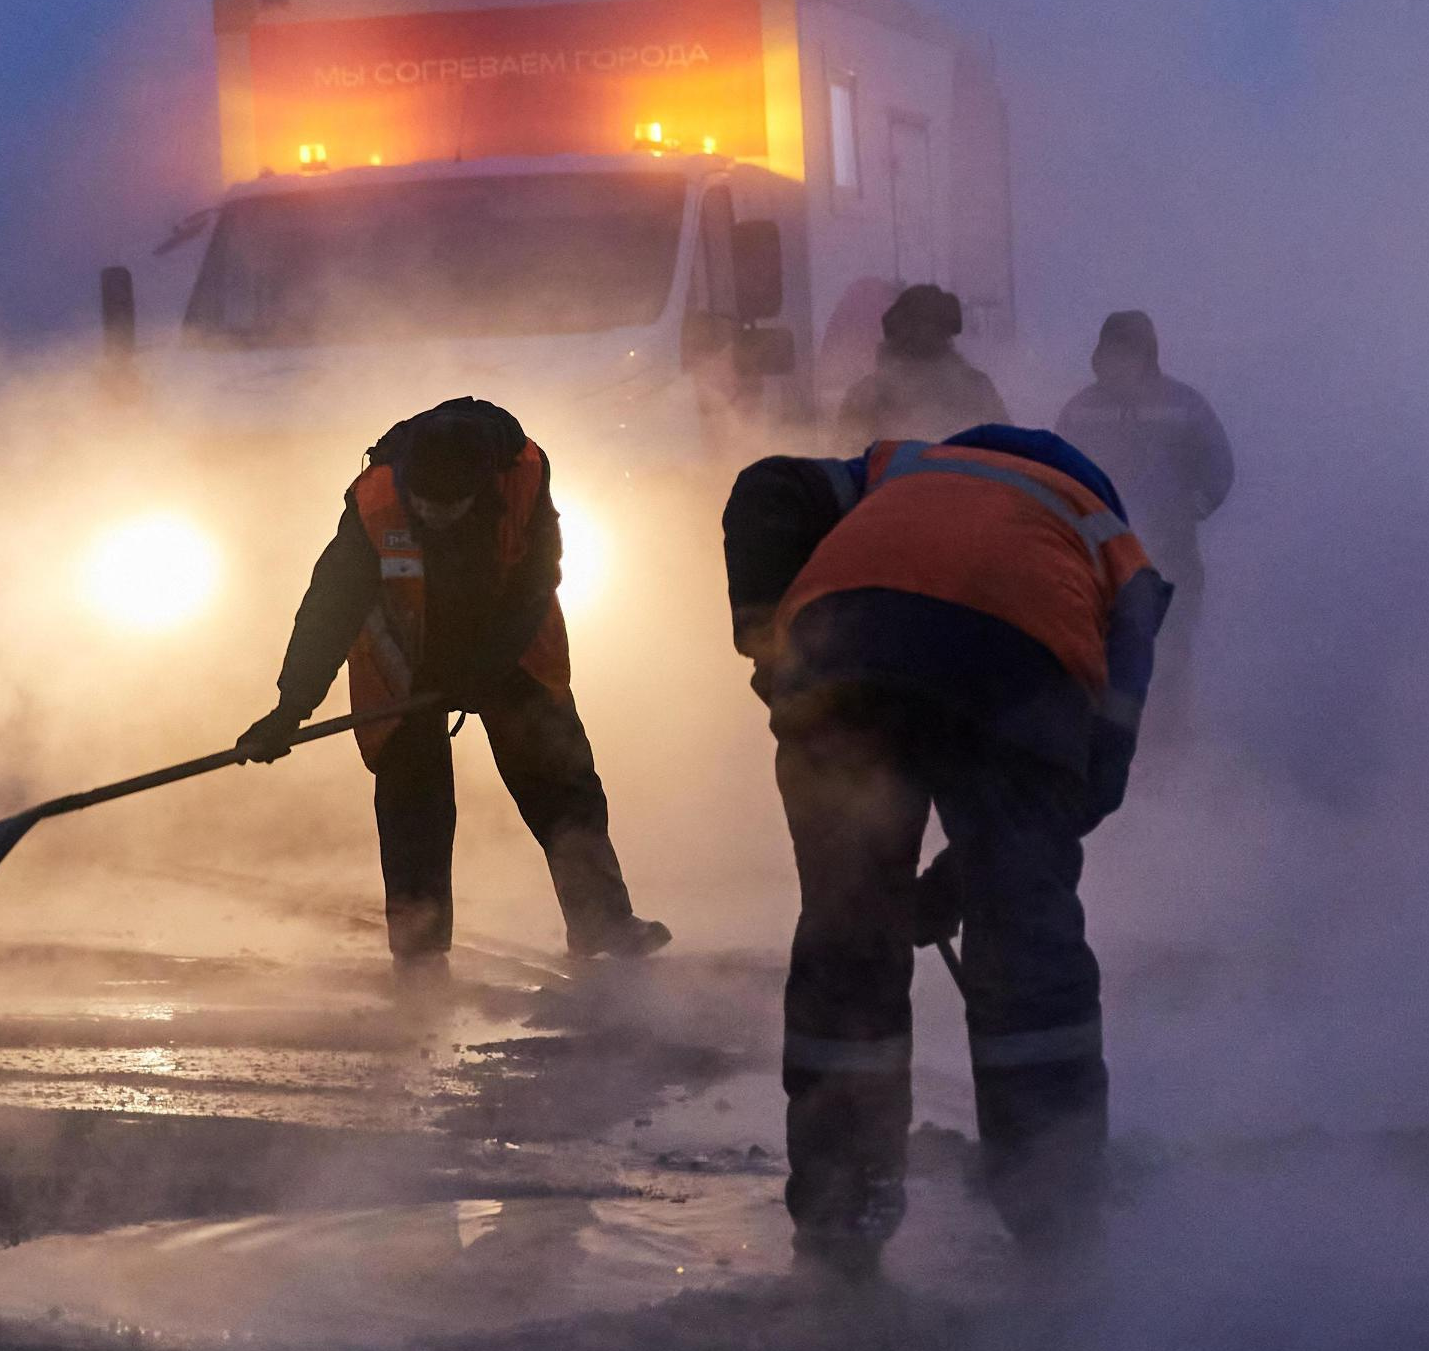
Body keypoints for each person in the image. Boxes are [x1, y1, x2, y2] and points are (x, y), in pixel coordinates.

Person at [723, 424, 1170, 1273]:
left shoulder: (900, 467)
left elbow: (766, 490)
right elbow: (1092, 780)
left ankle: (844, 1208)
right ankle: (1053, 1212)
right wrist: (972, 886)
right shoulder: (1118, 554)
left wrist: (770, 644)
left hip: (843, 661)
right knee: (1028, 949)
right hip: (1016, 673)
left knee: (848, 936)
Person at [236, 396, 670, 969]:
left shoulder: (526, 477)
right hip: (405, 657)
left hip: (510, 645)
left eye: (449, 507)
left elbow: (537, 580)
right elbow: (330, 606)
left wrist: (487, 664)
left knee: (560, 778)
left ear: (483, 487)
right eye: (423, 505)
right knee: (413, 797)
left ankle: (602, 921)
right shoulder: (375, 501)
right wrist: (290, 708)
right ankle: (419, 951)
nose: (433, 517)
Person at [1053, 311, 1232, 748]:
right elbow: (1057, 473)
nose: (1120, 361)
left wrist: (1189, 511)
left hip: (1171, 553)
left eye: (1129, 351)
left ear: (1147, 354)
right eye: (1112, 351)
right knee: (1103, 650)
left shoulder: (1184, 405)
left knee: (1170, 648)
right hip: (1100, 557)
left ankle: (1167, 746)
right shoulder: (1081, 410)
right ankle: (1114, 745)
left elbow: (1218, 465)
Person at [833, 283, 1007, 450]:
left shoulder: (864, 396)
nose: (922, 336)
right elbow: (1007, 451)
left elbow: (845, 458)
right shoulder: (977, 388)